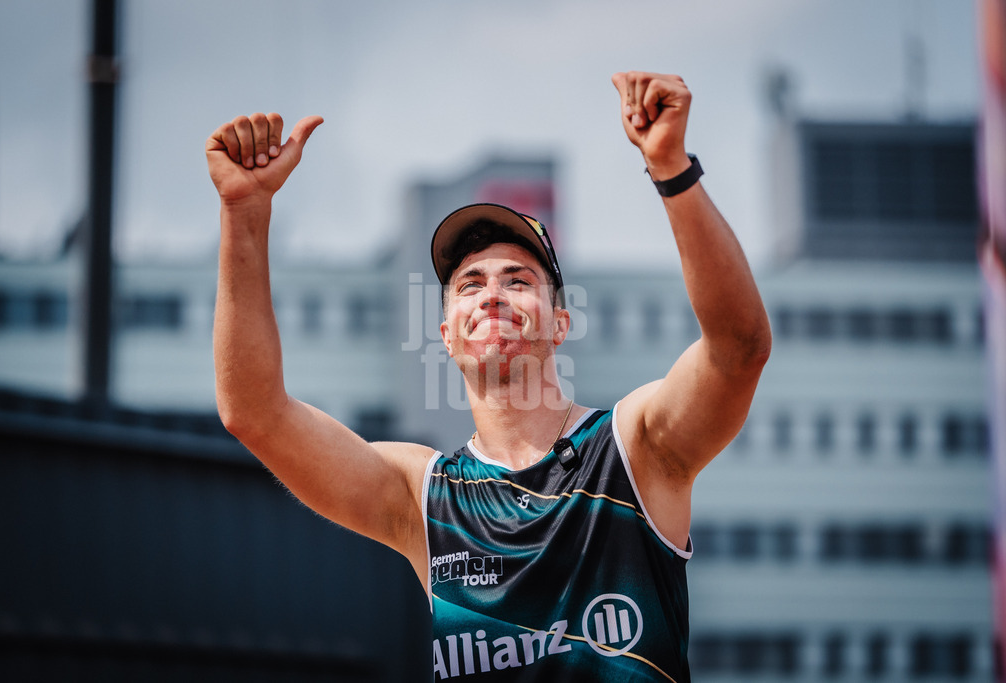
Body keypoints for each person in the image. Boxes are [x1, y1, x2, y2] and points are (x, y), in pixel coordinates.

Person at [207, 71, 771, 682]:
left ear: (560, 324)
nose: (492, 294)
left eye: (518, 280)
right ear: (447, 334)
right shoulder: (422, 497)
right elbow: (253, 411)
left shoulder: (634, 450)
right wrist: (244, 211)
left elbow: (739, 347)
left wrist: (671, 168)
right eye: (469, 285)